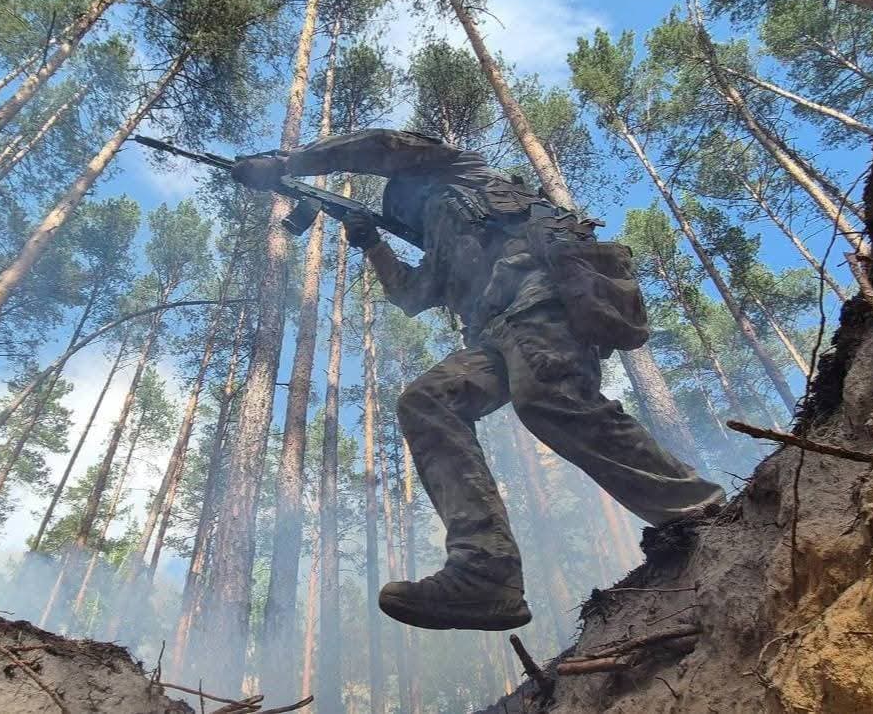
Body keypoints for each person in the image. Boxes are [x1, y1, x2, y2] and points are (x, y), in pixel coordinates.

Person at [232, 129, 725, 631]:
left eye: (406, 209)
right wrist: (373, 242)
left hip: (541, 293)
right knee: (427, 401)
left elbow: (381, 145)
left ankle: (696, 507)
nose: (413, 219)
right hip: (492, 332)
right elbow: (411, 296)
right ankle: (485, 571)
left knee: (547, 398)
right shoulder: (441, 248)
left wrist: (288, 163)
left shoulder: (459, 168)